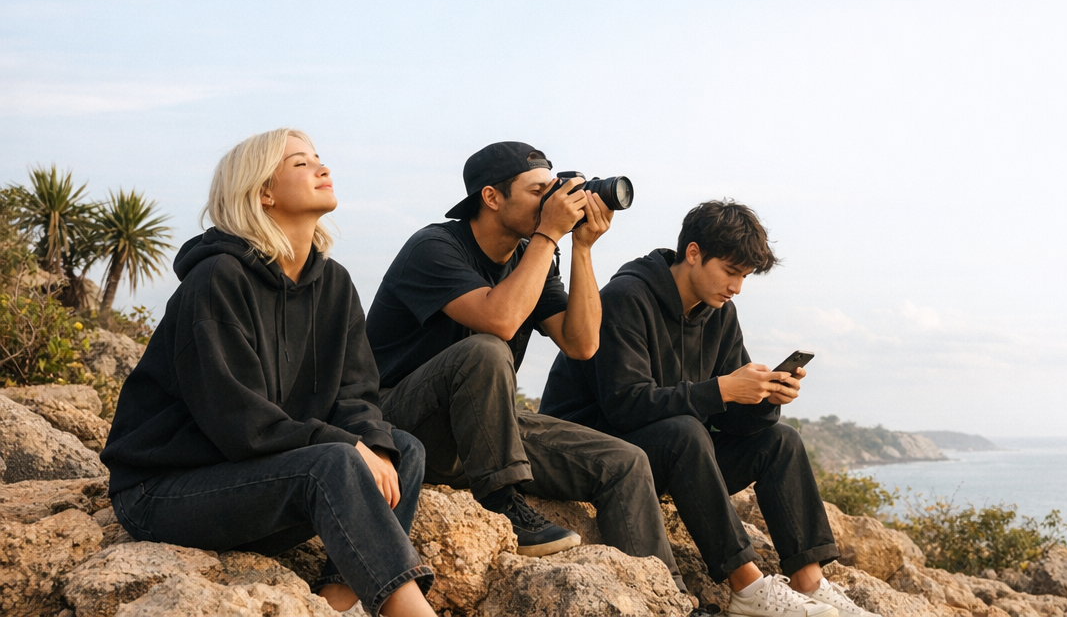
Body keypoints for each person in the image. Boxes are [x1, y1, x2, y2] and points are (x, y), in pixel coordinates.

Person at [101, 129, 436, 617]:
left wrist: (369, 442)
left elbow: (357, 394)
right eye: (301, 164)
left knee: (402, 449)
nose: (323, 168)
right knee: (338, 460)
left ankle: (338, 599)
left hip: (256, 483)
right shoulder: (216, 278)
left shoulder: (335, 284)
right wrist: (346, 447)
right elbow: (239, 421)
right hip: (164, 492)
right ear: (264, 192)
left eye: (320, 159)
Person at [541, 199, 882, 617]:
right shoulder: (626, 297)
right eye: (731, 271)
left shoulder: (720, 314)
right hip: (595, 450)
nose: (736, 286)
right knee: (685, 431)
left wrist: (764, 399)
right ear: (694, 253)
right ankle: (748, 587)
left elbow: (731, 415)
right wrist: (721, 389)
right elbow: (624, 406)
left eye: (744, 276)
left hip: (672, 453)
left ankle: (808, 582)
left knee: (779, 440)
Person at [365, 141, 680, 583]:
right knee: (487, 348)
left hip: (483, 427)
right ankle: (503, 502)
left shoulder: (529, 259)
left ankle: (665, 594)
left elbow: (582, 343)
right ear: (491, 197)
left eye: (553, 189)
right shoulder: (433, 248)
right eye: (537, 191)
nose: (550, 201)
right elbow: (500, 320)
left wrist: (582, 248)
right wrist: (548, 235)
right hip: (401, 425)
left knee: (624, 462)